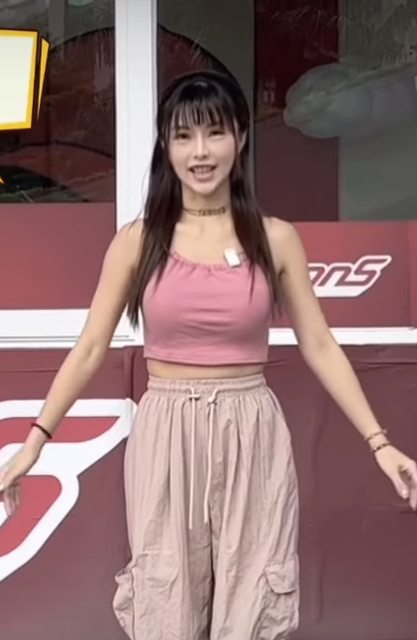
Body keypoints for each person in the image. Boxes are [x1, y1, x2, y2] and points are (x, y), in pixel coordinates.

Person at [0, 70, 416, 640]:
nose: (200, 152)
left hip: (251, 427)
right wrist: (34, 444)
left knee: (253, 595)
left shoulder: (275, 239)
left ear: (240, 137)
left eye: (214, 132)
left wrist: (380, 443)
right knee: (165, 595)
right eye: (183, 136)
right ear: (165, 145)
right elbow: (91, 347)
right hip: (166, 428)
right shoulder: (138, 240)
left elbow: (320, 345)